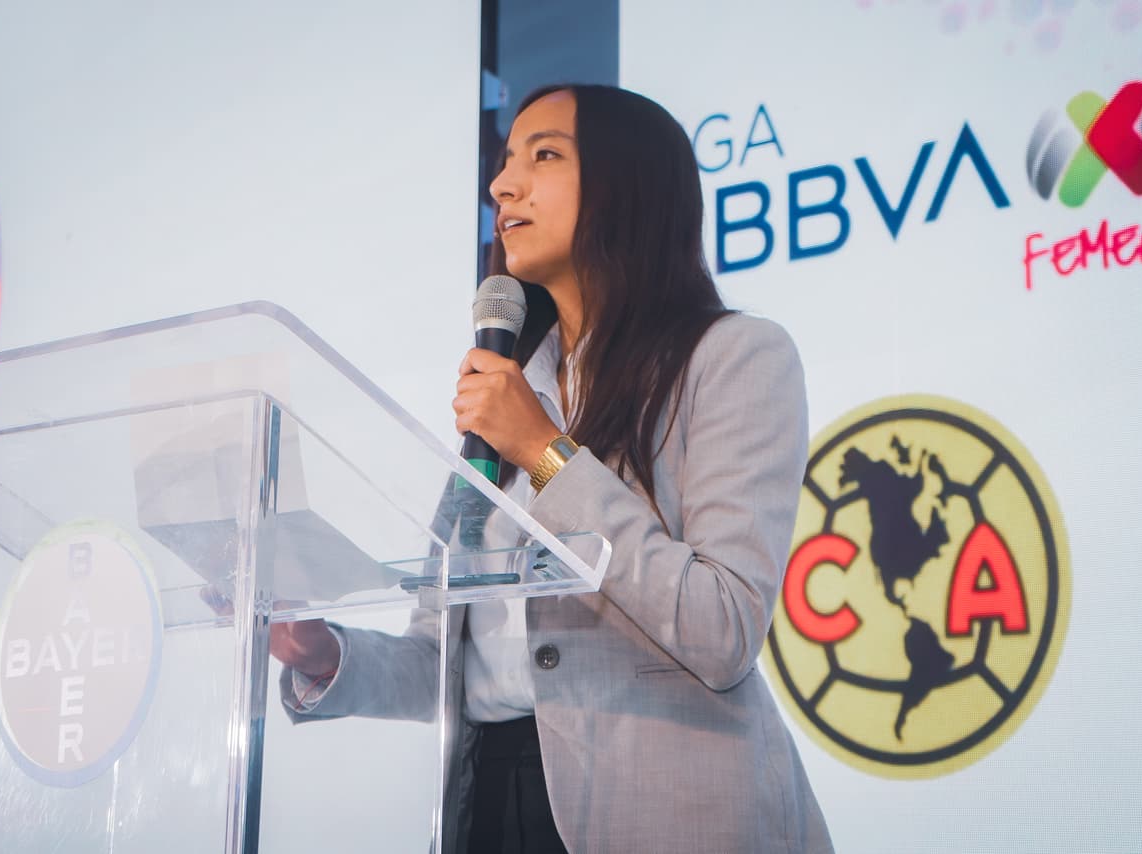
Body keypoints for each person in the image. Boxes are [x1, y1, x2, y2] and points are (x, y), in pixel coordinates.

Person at [270, 84, 833, 854]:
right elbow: (444, 656)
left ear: (628, 185)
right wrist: (321, 653)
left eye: (544, 156)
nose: (503, 185)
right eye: (505, 163)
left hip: (672, 812)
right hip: (492, 802)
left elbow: (723, 626)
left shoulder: (733, 357)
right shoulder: (510, 388)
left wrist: (542, 452)